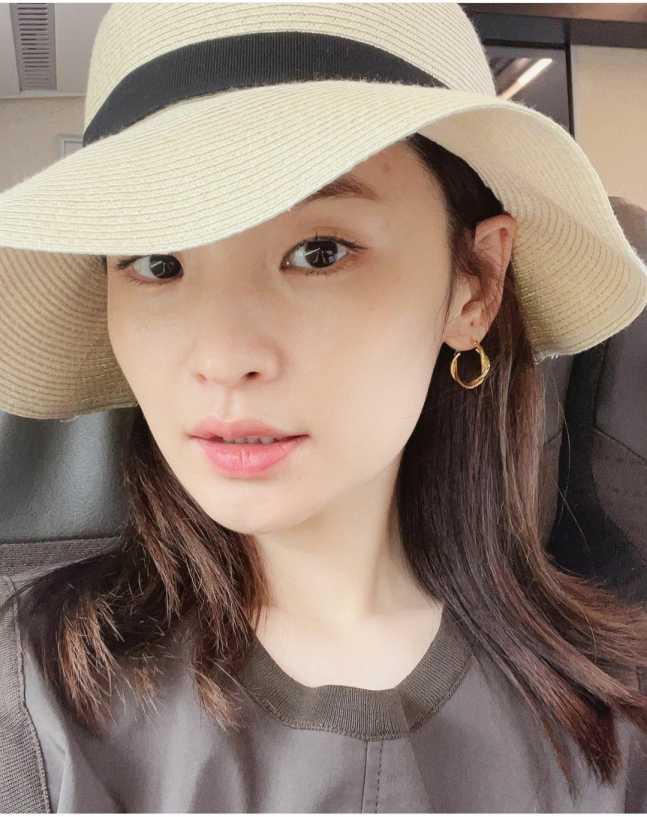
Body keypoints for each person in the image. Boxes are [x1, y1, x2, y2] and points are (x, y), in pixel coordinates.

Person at [0, 3, 646, 813]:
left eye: (318, 252)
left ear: (474, 285)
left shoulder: (610, 716)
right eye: (157, 261)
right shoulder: (35, 703)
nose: (222, 356)